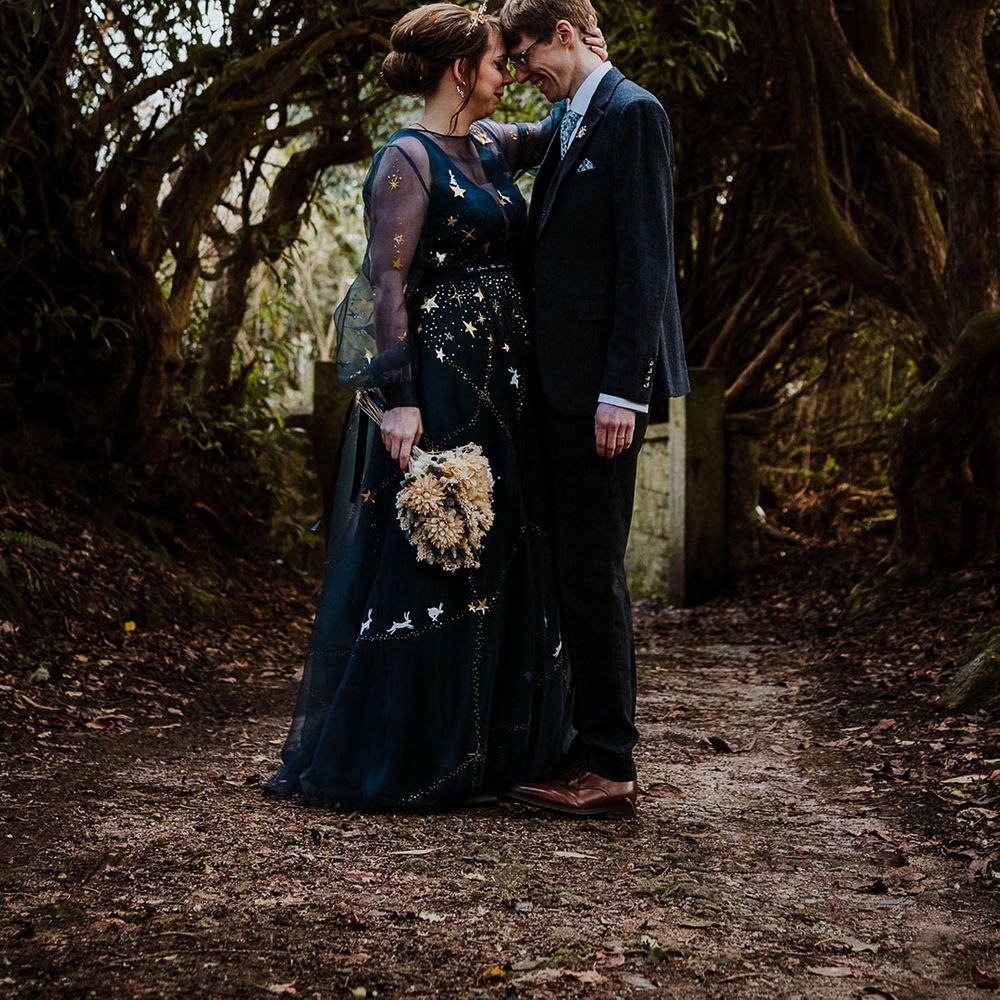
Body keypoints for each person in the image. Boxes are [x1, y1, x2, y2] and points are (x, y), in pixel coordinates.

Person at [264, 3, 604, 811]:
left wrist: (590, 56)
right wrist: (402, 402)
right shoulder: (405, 160)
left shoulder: (489, 144)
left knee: (505, 546)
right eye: (496, 62)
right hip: (446, 380)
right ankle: (416, 752)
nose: (508, 73)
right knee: (441, 546)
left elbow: (564, 124)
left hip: (510, 380)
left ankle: (489, 753)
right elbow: (387, 286)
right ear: (460, 70)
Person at [500, 0, 690, 818]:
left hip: (602, 393)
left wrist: (624, 389)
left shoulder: (633, 112)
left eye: (526, 55)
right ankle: (583, 746)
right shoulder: (572, 114)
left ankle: (610, 766)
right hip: (562, 386)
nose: (521, 73)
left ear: (565, 36)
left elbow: (645, 260)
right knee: (571, 567)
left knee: (592, 571)